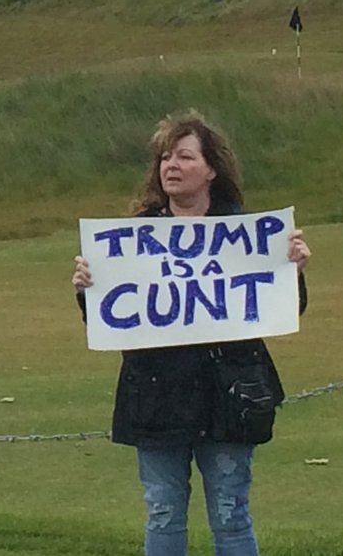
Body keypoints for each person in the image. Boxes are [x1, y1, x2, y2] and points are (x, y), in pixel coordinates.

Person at [72, 113, 310, 556]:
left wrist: (291, 270)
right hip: (157, 396)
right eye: (165, 157)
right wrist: (90, 287)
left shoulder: (247, 234)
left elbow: (283, 308)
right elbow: (111, 318)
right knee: (162, 511)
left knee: (230, 512)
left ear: (211, 169)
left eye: (184, 156)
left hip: (230, 395)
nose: (171, 166)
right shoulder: (132, 237)